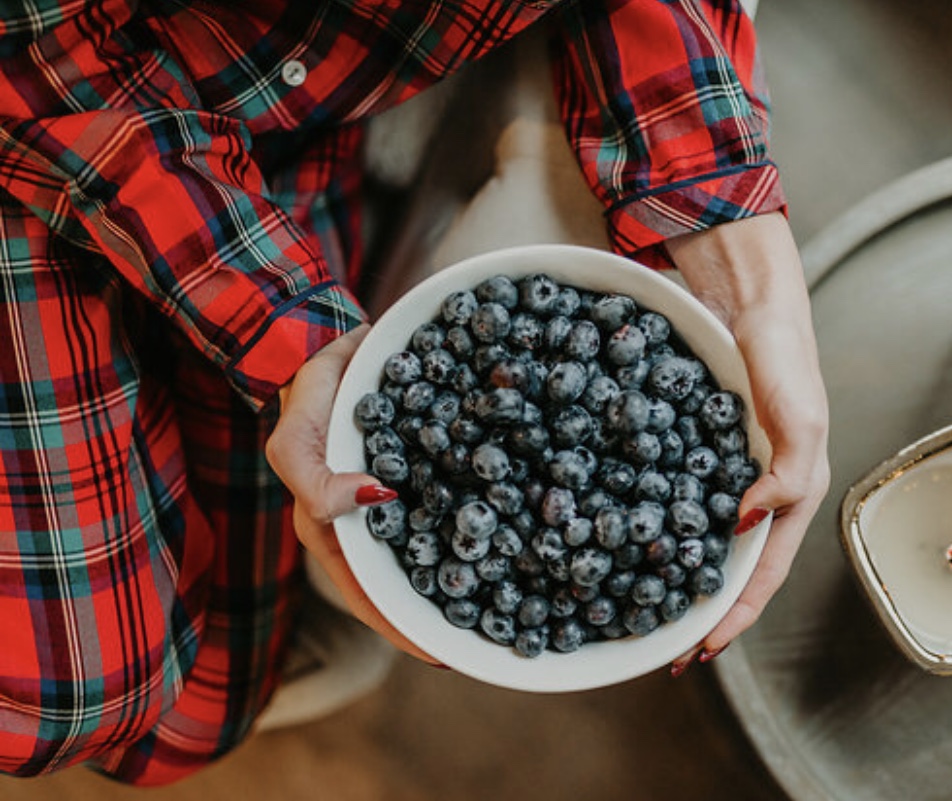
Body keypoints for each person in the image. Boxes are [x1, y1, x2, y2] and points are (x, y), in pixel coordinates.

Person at [0, 0, 830, 787]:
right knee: (53, 701)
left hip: (279, 153)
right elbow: (32, 53)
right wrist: (277, 326)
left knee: (193, 720)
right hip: (71, 98)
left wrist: (744, 259)